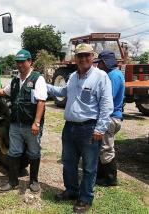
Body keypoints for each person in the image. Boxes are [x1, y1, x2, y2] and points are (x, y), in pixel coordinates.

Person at [47, 43, 113, 213]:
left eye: (86, 55)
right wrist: (43, 85)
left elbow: (106, 106)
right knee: (68, 163)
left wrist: (100, 129)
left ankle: (85, 199)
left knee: (89, 167)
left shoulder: (100, 76)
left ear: (92, 57)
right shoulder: (73, 77)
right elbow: (63, 92)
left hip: (89, 129)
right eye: (80, 56)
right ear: (75, 58)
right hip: (69, 128)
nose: (83, 59)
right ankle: (71, 191)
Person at [0, 49, 47, 193]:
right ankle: (13, 181)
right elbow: (3, 93)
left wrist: (36, 123)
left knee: (34, 152)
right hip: (16, 124)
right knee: (13, 152)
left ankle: (34, 181)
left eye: (23, 62)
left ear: (30, 62)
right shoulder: (15, 80)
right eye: (18, 62)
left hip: (31, 125)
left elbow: (41, 102)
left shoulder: (38, 79)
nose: (20, 65)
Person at [93, 51, 125, 187]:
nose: (98, 65)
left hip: (110, 118)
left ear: (106, 62)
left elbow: (107, 99)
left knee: (106, 148)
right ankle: (101, 175)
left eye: (100, 62)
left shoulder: (113, 76)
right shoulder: (114, 74)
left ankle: (110, 178)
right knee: (103, 147)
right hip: (113, 116)